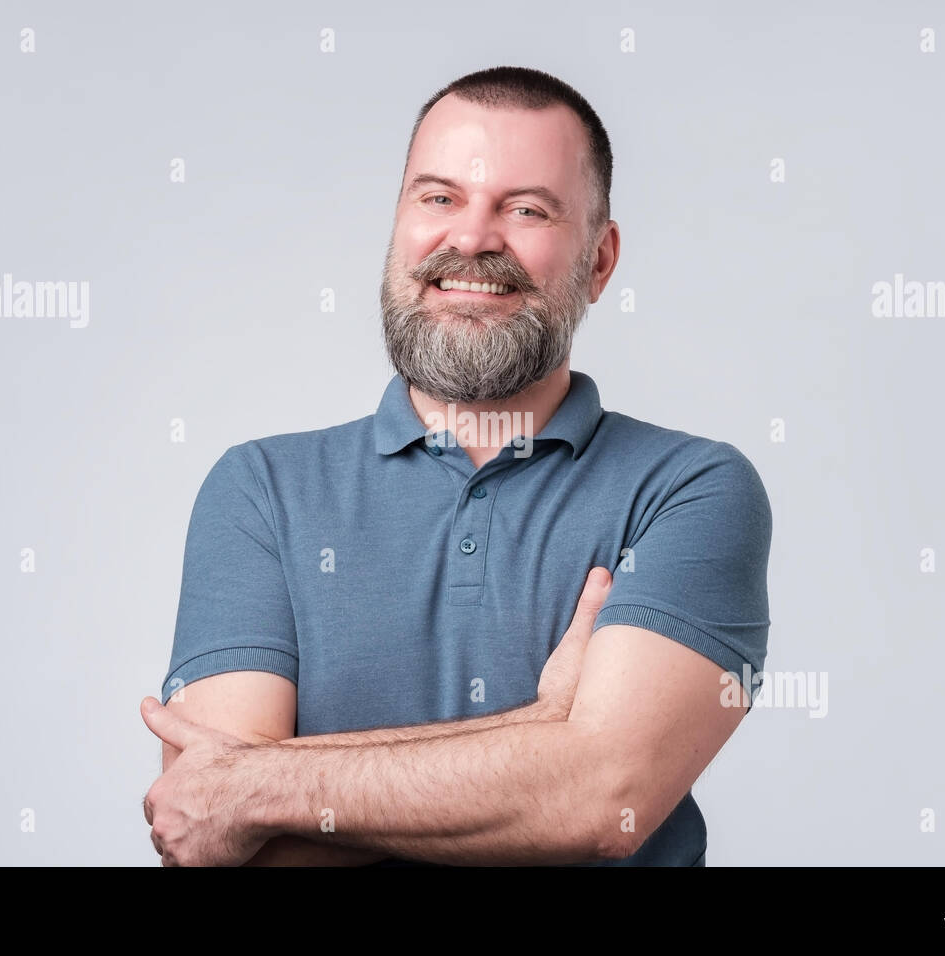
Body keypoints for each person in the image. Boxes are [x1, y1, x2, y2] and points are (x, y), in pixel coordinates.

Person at [141, 65, 772, 867]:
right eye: (438, 198)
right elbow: (215, 834)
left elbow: (599, 799)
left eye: (527, 209)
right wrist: (544, 732)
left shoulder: (691, 489)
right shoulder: (259, 490)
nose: (471, 239)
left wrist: (264, 784)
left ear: (600, 261)